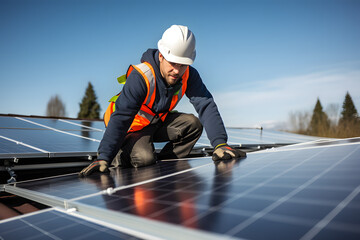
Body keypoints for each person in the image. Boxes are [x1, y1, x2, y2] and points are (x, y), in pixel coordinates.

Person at [79, 25, 246, 177]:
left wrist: (220, 144)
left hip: (155, 122)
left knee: (192, 124)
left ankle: (164, 167)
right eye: (173, 63)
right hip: (131, 126)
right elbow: (122, 116)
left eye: (182, 64)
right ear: (161, 56)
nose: (177, 70)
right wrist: (104, 157)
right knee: (144, 158)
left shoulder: (189, 74)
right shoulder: (142, 76)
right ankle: (120, 156)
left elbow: (206, 104)